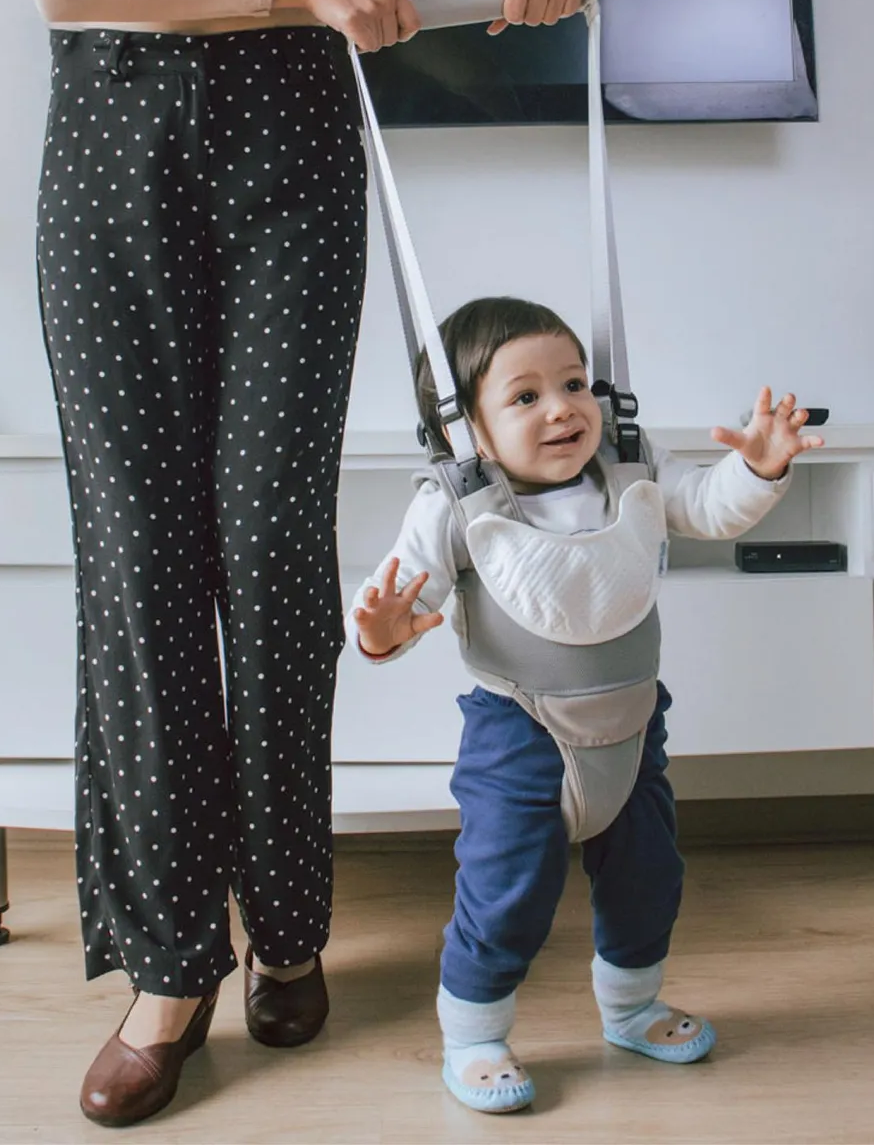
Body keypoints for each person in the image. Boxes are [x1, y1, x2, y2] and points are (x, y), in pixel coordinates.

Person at [13, 0, 585, 1128]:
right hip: (115, 127)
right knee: (139, 563)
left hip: (295, 133)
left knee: (273, 553)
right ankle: (171, 970)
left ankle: (286, 930)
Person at [349, 296, 824, 1113]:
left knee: (650, 877)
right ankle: (473, 1033)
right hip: (518, 734)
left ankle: (632, 1009)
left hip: (634, 727)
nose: (564, 408)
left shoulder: (632, 466)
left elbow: (709, 509)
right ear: (465, 430)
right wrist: (384, 629)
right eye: (525, 396)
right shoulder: (454, 502)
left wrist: (760, 469)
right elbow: (399, 595)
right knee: (505, 892)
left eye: (574, 383)